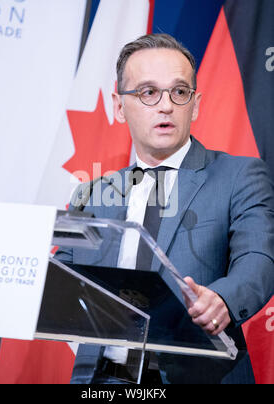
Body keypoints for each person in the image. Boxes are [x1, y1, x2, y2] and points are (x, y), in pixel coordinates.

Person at [55, 33, 274, 384]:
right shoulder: (93, 192)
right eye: (148, 92)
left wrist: (222, 298)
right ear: (118, 105)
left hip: (197, 373)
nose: (166, 105)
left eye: (179, 92)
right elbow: (63, 274)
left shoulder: (239, 176)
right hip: (102, 378)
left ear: (196, 104)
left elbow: (259, 259)